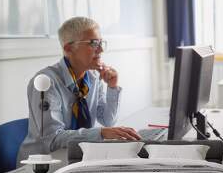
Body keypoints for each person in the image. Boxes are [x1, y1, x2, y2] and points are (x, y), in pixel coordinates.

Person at [18, 17, 140, 164]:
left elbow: (108, 121)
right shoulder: (45, 82)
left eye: (101, 43)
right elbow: (52, 139)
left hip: (77, 157)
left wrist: (112, 87)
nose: (100, 49)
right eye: (93, 43)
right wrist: (101, 133)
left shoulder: (94, 77)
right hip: (42, 164)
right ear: (68, 48)